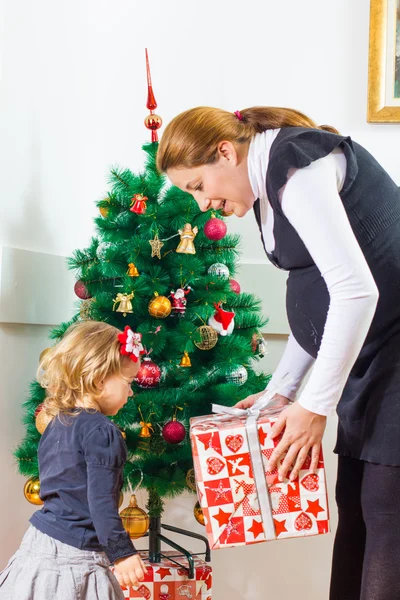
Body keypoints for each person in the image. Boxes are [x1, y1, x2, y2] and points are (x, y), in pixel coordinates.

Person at [157, 106, 400, 600]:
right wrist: (282, 392)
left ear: (225, 152)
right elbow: (320, 300)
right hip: (373, 359)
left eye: (198, 185)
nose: (203, 204)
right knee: (353, 505)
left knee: (386, 511)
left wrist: (315, 406)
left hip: (394, 353)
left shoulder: (298, 170)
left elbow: (356, 294)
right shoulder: (269, 188)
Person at [0, 321, 147, 599]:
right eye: (128, 383)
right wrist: (122, 553)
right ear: (99, 379)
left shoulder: (57, 422)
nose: (131, 392)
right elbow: (101, 502)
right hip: (76, 559)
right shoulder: (103, 432)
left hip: (38, 545)